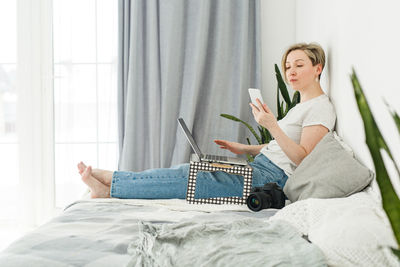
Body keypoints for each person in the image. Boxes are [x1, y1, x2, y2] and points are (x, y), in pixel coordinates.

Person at [78, 42, 336, 199]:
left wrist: (271, 125)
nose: (291, 71)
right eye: (288, 66)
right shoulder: (302, 106)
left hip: (272, 180)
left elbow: (302, 158)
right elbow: (280, 148)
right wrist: (244, 149)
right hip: (262, 167)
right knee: (189, 171)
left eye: (299, 65)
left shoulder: (321, 109)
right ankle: (115, 183)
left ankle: (113, 183)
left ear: (318, 68)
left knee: (192, 179)